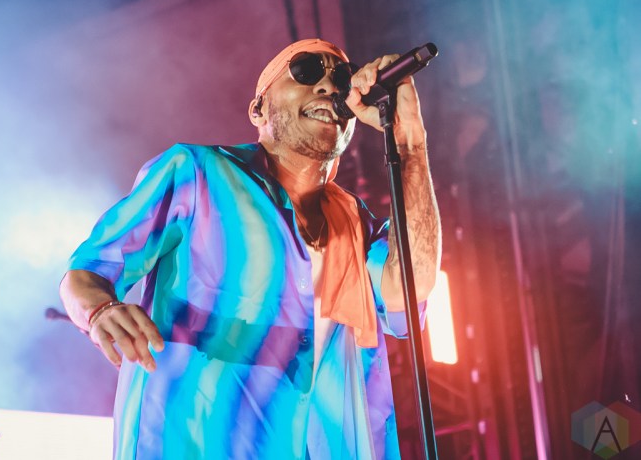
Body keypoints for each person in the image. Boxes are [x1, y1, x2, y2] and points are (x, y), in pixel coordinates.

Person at [60, 38, 441, 459]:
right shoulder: (197, 173)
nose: (329, 86)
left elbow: (410, 289)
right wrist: (100, 310)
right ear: (258, 109)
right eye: (306, 71)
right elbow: (88, 271)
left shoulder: (357, 224)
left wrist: (411, 143)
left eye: (342, 78)